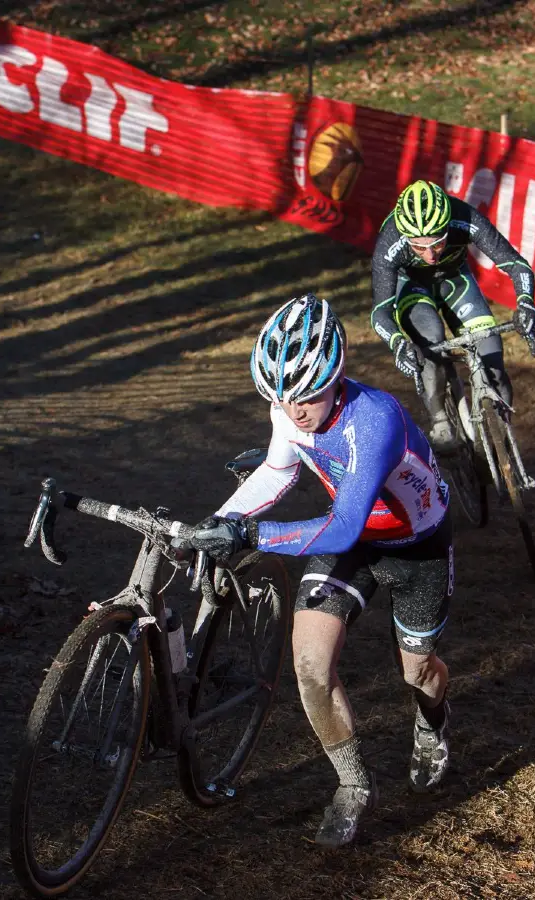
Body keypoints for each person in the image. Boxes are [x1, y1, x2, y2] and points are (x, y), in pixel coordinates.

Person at [187, 293, 454, 849]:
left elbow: (344, 524)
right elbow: (276, 472)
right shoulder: (288, 408)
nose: (294, 411)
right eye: (280, 399)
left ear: (338, 374)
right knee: (309, 667)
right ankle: (354, 786)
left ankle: (432, 725)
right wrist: (218, 521)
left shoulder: (373, 419)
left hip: (413, 549)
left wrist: (251, 534)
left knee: (416, 674)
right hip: (352, 545)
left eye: (306, 396)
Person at [370, 179, 535, 453]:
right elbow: (380, 312)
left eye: (437, 244)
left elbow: (516, 264)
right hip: (412, 288)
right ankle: (440, 419)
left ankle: (502, 438)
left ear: (447, 226)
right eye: (418, 247)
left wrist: (527, 303)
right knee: (431, 340)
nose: (429, 255)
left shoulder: (464, 217)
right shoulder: (390, 240)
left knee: (493, 361)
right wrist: (398, 344)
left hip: (455, 281)